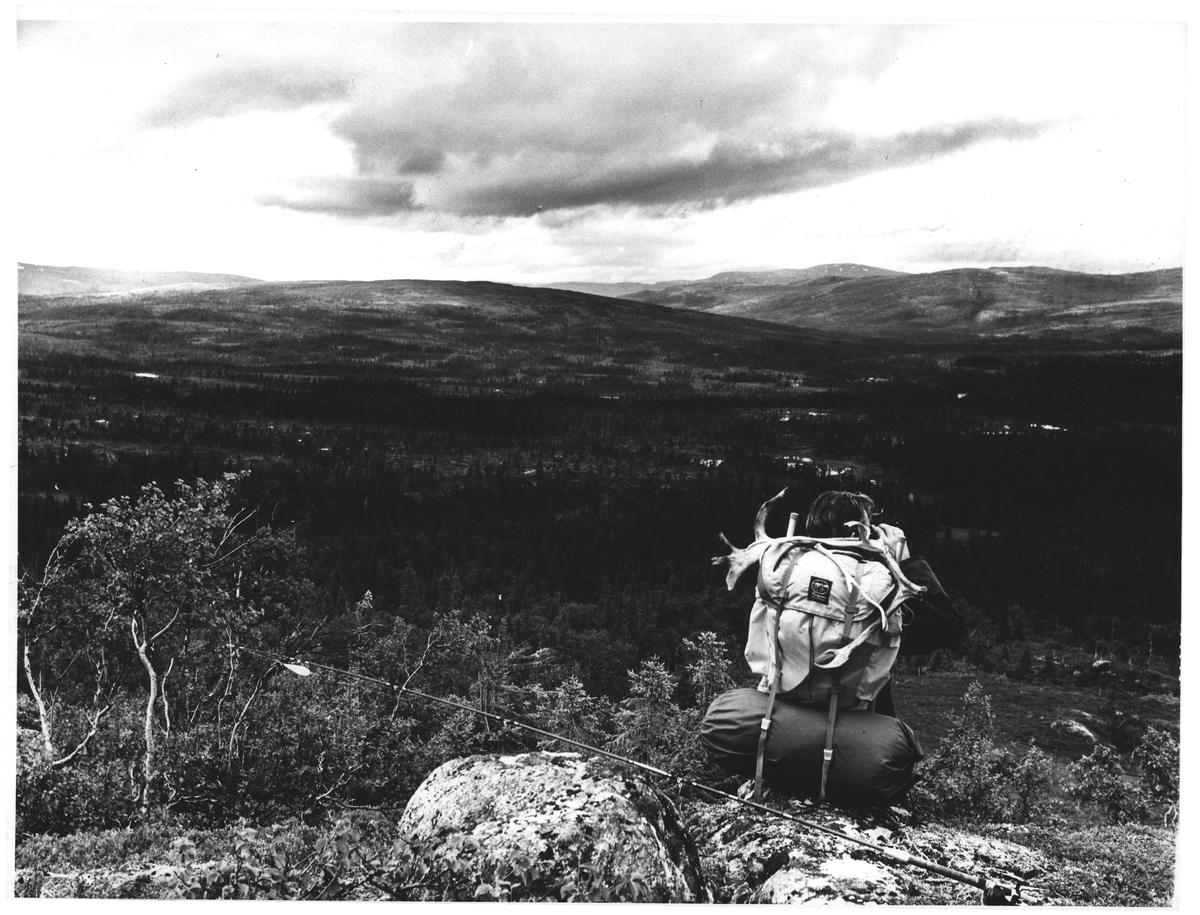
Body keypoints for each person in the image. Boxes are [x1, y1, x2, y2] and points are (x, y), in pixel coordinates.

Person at [803, 490, 962, 717]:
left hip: (790, 712)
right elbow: (947, 626)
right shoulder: (874, 597)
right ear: (858, 534)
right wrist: (906, 562)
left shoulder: (790, 579)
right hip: (859, 726)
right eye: (870, 528)